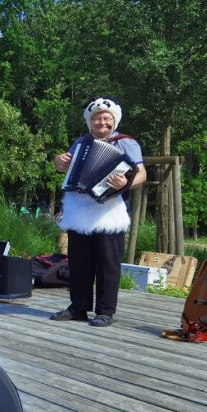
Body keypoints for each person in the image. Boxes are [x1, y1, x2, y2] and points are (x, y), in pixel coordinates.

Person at [50, 97, 147, 328]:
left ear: (114, 121)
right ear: (90, 122)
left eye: (106, 118)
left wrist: (125, 182)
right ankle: (78, 308)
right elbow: (64, 164)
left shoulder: (126, 143)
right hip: (80, 209)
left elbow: (142, 174)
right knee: (79, 262)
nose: (102, 122)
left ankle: (105, 311)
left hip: (108, 210)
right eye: (97, 119)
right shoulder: (81, 142)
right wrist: (58, 161)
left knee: (107, 263)